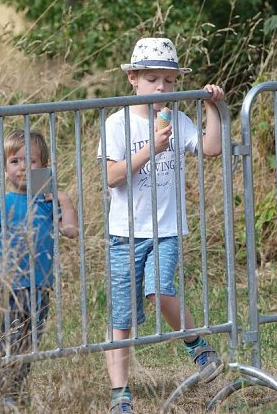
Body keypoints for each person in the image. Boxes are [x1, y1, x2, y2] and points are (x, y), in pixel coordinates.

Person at [98, 37, 226, 413]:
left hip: (166, 229)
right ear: (133, 80)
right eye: (153, 79)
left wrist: (211, 107)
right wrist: (150, 148)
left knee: (160, 290)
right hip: (124, 233)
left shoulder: (178, 119)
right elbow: (112, 176)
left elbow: (211, 148)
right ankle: (120, 394)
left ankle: (197, 346)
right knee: (122, 316)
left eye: (169, 81)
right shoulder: (117, 123)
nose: (162, 88)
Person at [0, 129, 79, 406]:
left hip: (39, 285)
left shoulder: (47, 202)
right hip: (7, 285)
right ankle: (2, 392)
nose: (22, 167)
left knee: (28, 342)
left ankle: (13, 388)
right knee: (6, 341)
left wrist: (65, 201)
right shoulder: (1, 202)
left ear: (43, 167)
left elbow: (71, 231)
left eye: (31, 161)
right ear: (4, 169)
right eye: (15, 161)